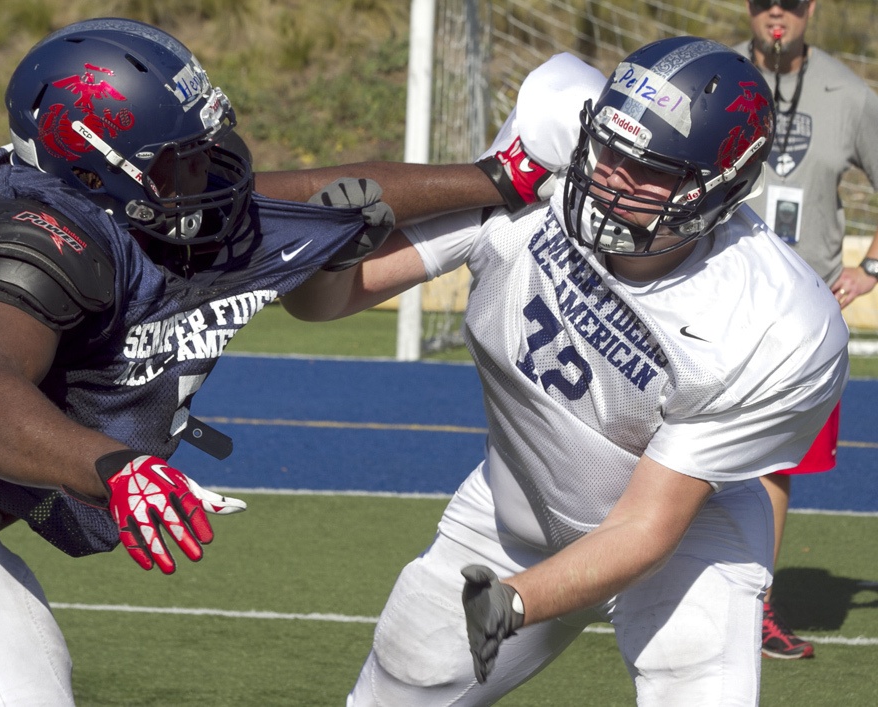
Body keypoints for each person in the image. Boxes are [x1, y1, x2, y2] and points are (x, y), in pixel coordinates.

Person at [0, 17, 523, 705]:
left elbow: (303, 193)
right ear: (94, 161)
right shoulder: (37, 233)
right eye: (176, 158)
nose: (204, 169)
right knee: (11, 688)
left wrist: (498, 178)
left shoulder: (138, 211)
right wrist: (113, 467)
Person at [278, 37, 848, 704]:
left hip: (690, 544)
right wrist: (337, 250)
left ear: (719, 189)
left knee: (695, 676)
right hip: (515, 506)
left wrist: (518, 601)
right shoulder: (545, 161)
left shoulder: (767, 321)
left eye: (650, 169)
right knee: (401, 681)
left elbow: (646, 528)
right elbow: (325, 303)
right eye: (608, 148)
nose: (611, 177)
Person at [737, 0, 878, 660]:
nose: (777, 14)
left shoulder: (850, 95)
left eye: (790, 4)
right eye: (765, 2)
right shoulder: (709, 76)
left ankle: (751, 607)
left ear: (810, 9)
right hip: (706, 303)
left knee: (771, 464)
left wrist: (870, 267)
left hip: (801, 318)